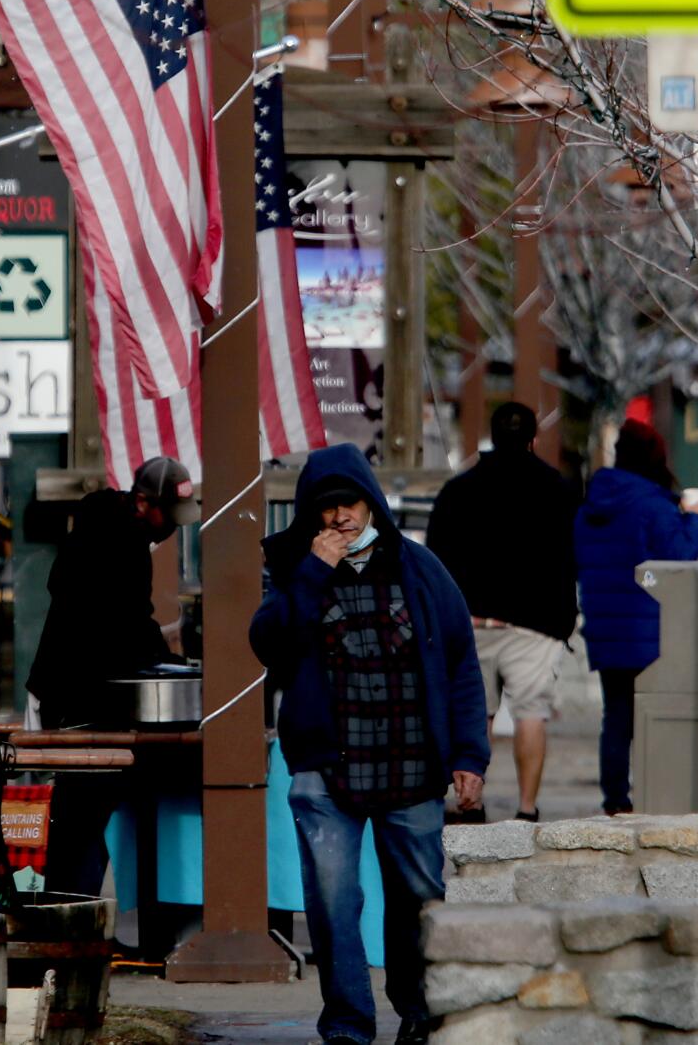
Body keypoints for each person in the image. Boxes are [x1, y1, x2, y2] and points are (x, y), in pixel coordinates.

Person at [252, 444, 490, 1045]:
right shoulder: (290, 567)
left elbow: (460, 663)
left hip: (410, 764)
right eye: (326, 508)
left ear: (371, 503)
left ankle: (418, 1010)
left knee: (417, 898)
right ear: (311, 514)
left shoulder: (419, 568)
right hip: (325, 768)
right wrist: (313, 572)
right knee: (334, 904)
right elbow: (269, 645)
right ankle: (348, 1027)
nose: (340, 518)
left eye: (349, 504)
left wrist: (468, 755)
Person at [26, 455, 199, 896]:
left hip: (69, 690)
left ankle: (67, 912)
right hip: (83, 697)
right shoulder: (121, 541)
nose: (174, 526)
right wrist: (170, 659)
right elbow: (123, 625)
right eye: (169, 515)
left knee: (80, 818)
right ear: (143, 503)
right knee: (84, 817)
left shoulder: (102, 530)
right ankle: (67, 916)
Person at [425, 402, 578, 823]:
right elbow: (570, 559)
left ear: (492, 435)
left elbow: (436, 559)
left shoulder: (459, 490)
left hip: (471, 620)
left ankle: (471, 801)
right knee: (531, 713)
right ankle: (527, 809)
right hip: (535, 623)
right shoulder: (558, 489)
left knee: (477, 714)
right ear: (534, 438)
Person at [575, 418, 698, 815]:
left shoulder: (590, 507)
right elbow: (680, 555)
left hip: (606, 629)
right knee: (658, 718)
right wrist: (697, 517)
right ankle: (659, 795)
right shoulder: (653, 505)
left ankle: (616, 801)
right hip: (652, 630)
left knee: (616, 717)